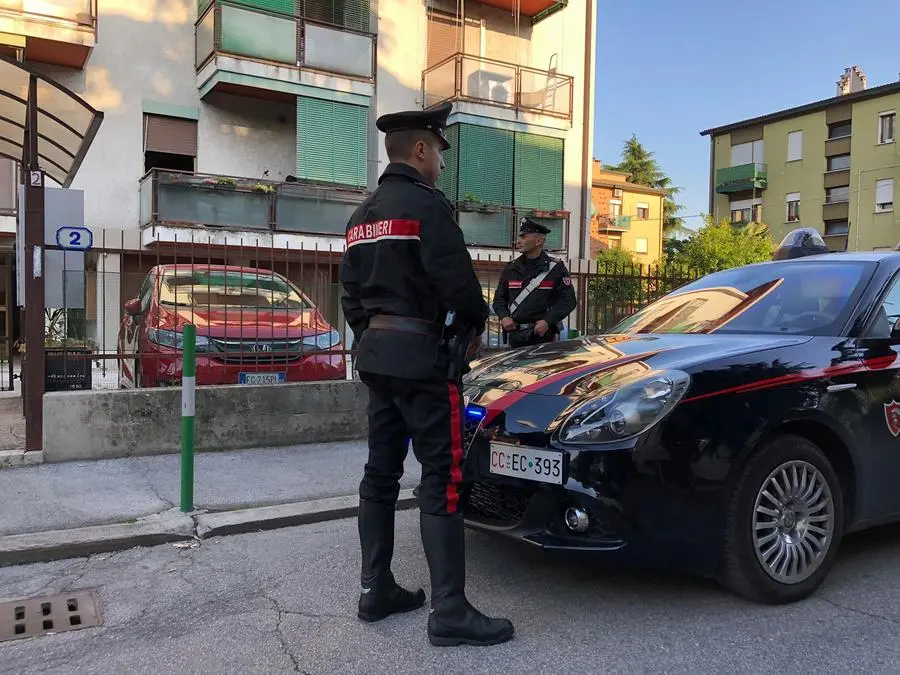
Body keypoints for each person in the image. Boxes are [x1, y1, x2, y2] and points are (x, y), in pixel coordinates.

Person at [339, 102, 515, 647]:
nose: (441, 159)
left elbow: (351, 296)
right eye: (439, 149)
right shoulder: (428, 209)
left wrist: (375, 338)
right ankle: (450, 611)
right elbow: (460, 287)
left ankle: (376, 590)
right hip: (423, 359)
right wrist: (469, 327)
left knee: (380, 474)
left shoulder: (361, 217)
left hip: (378, 358)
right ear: (420, 149)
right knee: (443, 475)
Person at [492, 217, 577, 349]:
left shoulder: (555, 269)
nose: (518, 241)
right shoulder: (511, 268)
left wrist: (547, 321)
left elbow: (568, 300)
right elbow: (499, 299)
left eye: (524, 236)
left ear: (538, 241)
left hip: (543, 336)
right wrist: (504, 317)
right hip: (515, 336)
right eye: (519, 237)